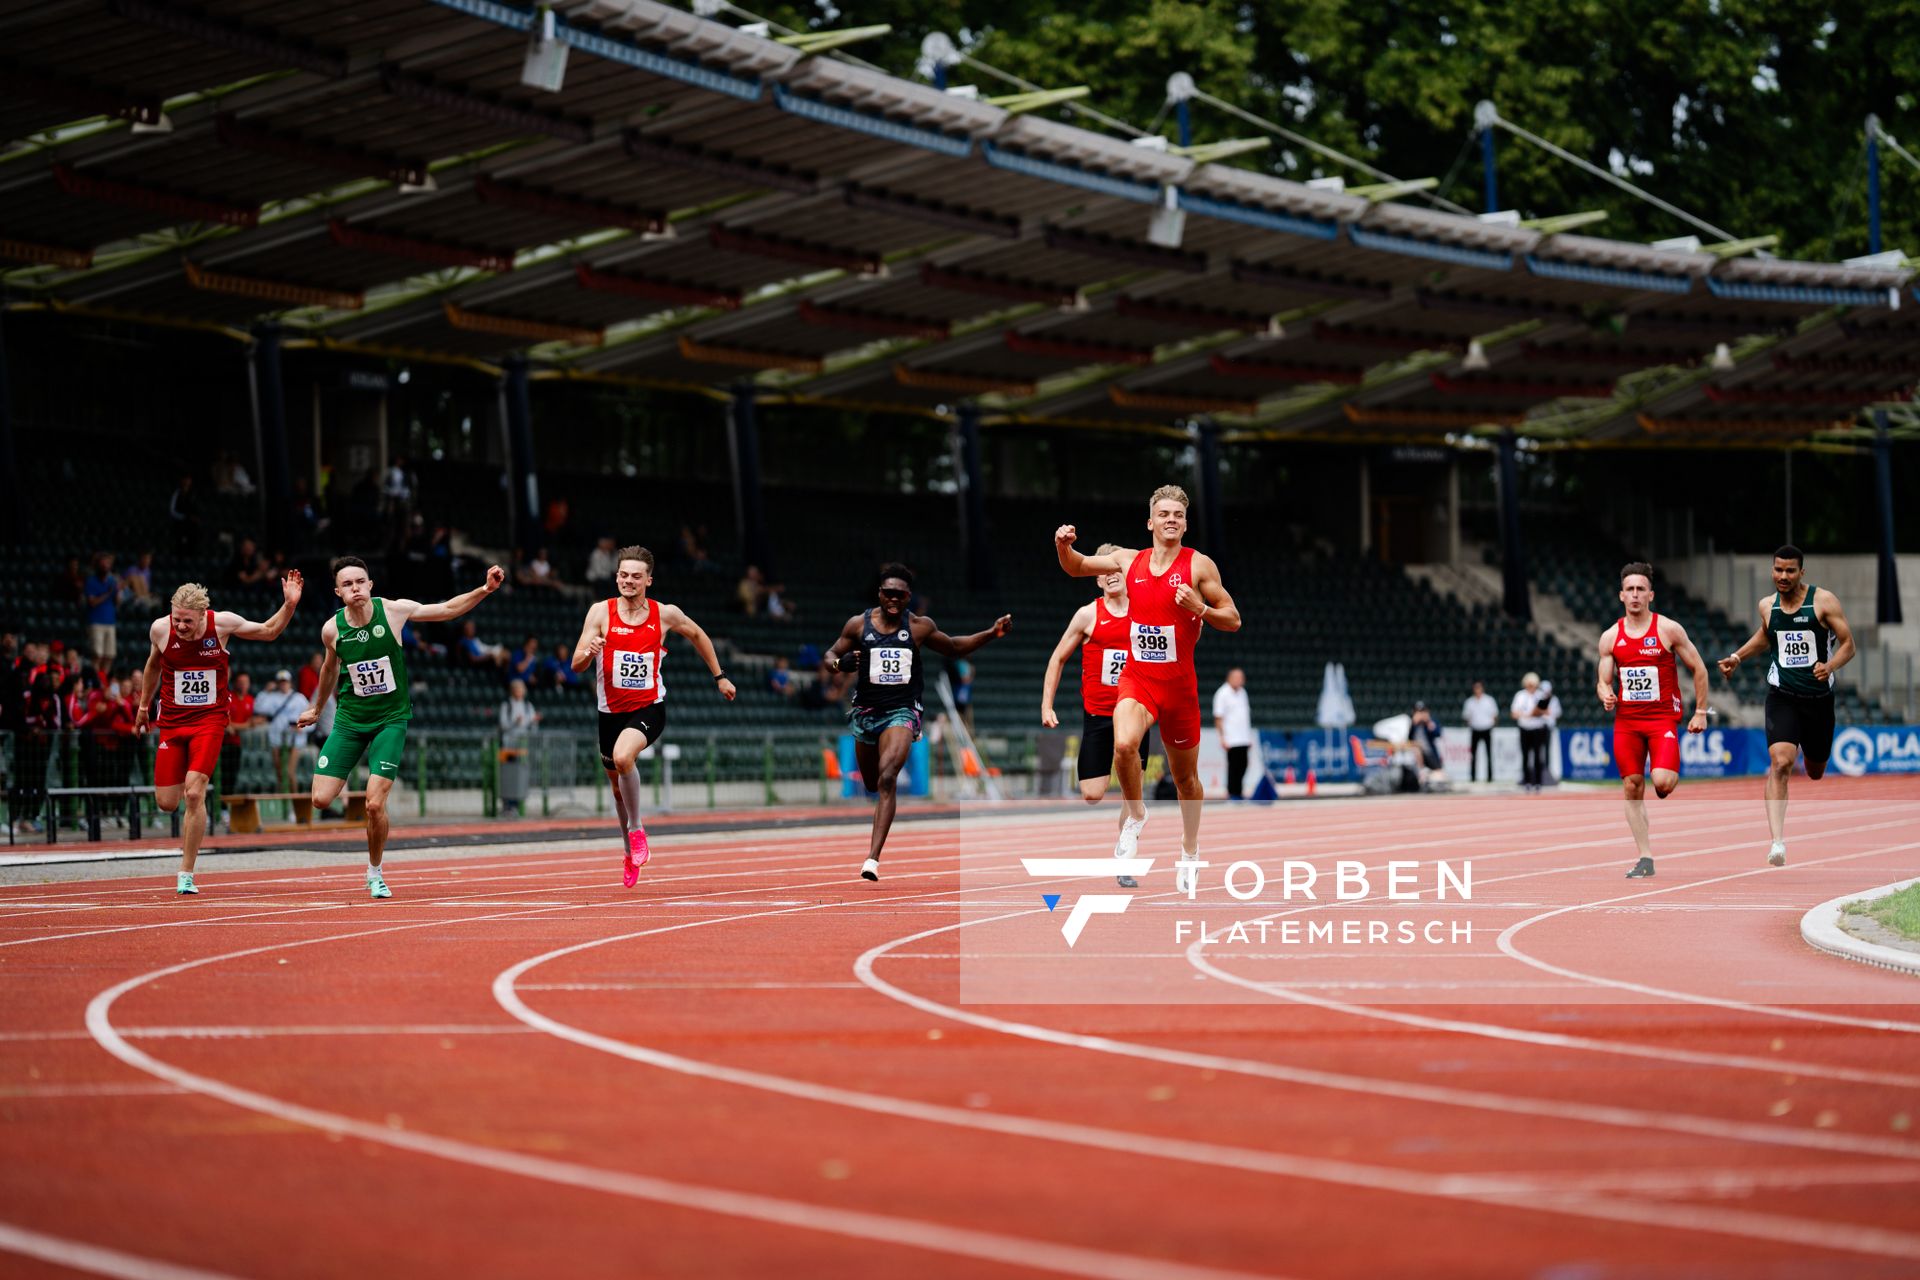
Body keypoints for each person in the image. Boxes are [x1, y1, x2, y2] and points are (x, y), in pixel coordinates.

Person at [1056, 485, 1241, 894]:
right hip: (1139, 681)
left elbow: (1233, 619)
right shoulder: (1128, 560)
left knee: (1186, 781)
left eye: (1178, 514)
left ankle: (1189, 849)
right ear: (1150, 522)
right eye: (1164, 514)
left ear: (1185, 523)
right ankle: (1136, 816)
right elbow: (1076, 566)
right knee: (1124, 746)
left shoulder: (1199, 567)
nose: (1171, 519)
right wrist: (1063, 545)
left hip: (1179, 691)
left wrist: (1201, 610)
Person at [293, 556, 504, 899]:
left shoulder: (392, 611)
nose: (355, 588)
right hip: (350, 721)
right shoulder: (331, 629)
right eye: (347, 584)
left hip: (391, 719)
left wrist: (484, 589)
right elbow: (329, 670)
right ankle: (368, 837)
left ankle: (374, 871)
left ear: (370, 585)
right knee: (320, 799)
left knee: (374, 804)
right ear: (338, 591)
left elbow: (447, 609)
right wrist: (317, 707)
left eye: (360, 581)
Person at [824, 563, 1010, 881]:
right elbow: (830, 655)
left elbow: (953, 647)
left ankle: (872, 858)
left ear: (909, 596)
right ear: (880, 594)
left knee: (887, 778)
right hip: (867, 713)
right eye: (888, 593)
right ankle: (875, 837)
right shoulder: (858, 625)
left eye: (900, 594)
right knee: (871, 782)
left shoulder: (920, 627)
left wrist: (991, 634)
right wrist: (840, 664)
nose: (893, 599)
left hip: (903, 711)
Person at [571, 545, 737, 886]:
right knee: (617, 791)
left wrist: (719, 677)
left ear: (648, 580)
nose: (628, 581)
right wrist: (590, 651)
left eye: (635, 576)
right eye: (622, 575)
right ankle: (630, 852)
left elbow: (697, 634)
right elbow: (575, 665)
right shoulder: (600, 612)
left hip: (649, 707)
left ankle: (636, 830)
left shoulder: (666, 614)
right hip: (609, 712)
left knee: (623, 756)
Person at [133, 573, 304, 894]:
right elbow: (153, 665)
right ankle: (187, 807)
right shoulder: (160, 629)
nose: (181, 626)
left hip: (209, 720)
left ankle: (186, 872)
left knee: (194, 793)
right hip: (172, 721)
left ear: (202, 615)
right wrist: (144, 706)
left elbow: (268, 631)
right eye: (177, 619)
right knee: (167, 802)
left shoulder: (221, 625)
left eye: (187, 621)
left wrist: (289, 605)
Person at [1717, 544, 1855, 867]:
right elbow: (1767, 636)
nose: (1783, 576)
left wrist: (1831, 666)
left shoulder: (1823, 601)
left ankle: (1812, 755)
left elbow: (1848, 643)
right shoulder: (1767, 605)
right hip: (1783, 696)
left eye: (1790, 570)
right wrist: (1738, 656)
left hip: (1819, 700)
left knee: (1815, 771)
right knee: (1780, 762)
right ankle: (1777, 841)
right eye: (1778, 569)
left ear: (1801, 572)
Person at [1597, 562, 1712, 879]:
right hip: (1627, 723)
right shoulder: (1610, 637)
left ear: (1651, 595)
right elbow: (1603, 680)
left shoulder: (1668, 630)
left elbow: (1699, 669)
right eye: (1629, 590)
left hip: (1662, 719)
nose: (1635, 595)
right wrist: (1606, 693)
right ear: (1621, 596)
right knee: (1632, 786)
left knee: (1662, 783)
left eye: (1640, 589)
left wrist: (1700, 711)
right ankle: (1645, 857)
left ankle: (1665, 776)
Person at [1040, 543, 1154, 852]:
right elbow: (1057, 658)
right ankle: (1132, 824)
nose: (1113, 574)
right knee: (1092, 793)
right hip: (1098, 715)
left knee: (1133, 791)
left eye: (1117, 568)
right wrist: (1046, 704)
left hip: (1134, 711)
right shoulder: (1087, 615)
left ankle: (1125, 851)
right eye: (1105, 569)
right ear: (1097, 578)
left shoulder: (1145, 612)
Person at [253, 669, 310, 794]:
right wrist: (265, 692)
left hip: (295, 739)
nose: (283, 684)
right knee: (279, 772)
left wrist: (302, 727)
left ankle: (295, 802)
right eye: (281, 682)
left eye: (285, 682)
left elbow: (311, 716)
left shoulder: (299, 698)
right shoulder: (271, 697)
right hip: (277, 739)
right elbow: (257, 707)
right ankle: (284, 802)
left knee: (289, 772)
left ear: (290, 683)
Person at [1212, 668, 1254, 801]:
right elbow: (1218, 717)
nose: (1239, 680)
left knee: (1243, 764)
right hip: (1231, 737)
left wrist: (1249, 736)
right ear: (1229, 678)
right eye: (1236, 677)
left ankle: (1239, 791)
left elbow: (1245, 716)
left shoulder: (1243, 693)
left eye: (1241, 677)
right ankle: (1232, 793)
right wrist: (1222, 737)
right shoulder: (1222, 693)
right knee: (1233, 766)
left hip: (1243, 737)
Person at [1511, 672, 1550, 792]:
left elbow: (1546, 712)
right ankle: (1527, 781)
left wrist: (1536, 712)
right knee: (1525, 756)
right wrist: (1526, 715)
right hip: (1525, 729)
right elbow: (1514, 713)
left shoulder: (1540, 696)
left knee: (1538, 756)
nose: (1531, 687)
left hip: (1537, 729)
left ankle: (1538, 782)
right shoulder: (1520, 696)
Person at [84, 553, 120, 670]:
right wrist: (108, 593)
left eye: (107, 564)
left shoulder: (111, 581)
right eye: (103, 564)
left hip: (110, 622)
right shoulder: (91, 581)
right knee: (97, 655)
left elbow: (117, 602)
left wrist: (117, 591)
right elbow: (92, 602)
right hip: (96, 622)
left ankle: (103, 679)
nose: (105, 566)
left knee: (109, 655)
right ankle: (96, 681)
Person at [221, 670, 255, 793]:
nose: (243, 685)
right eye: (240, 682)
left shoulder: (250, 700)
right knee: (222, 775)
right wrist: (246, 725)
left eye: (246, 682)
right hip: (224, 743)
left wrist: (236, 727)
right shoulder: (229, 698)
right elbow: (227, 724)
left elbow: (253, 722)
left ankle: (226, 806)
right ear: (235, 683)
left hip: (240, 744)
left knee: (233, 775)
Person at [1462, 680, 1498, 782]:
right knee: (1473, 755)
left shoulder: (1489, 700)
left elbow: (1495, 715)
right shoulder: (1469, 702)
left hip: (1487, 729)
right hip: (1475, 729)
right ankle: (1473, 777)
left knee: (1489, 754)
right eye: (1476, 688)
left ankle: (1490, 777)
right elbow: (1466, 717)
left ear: (1482, 688)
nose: (1477, 690)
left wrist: (1491, 725)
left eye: (1479, 687)